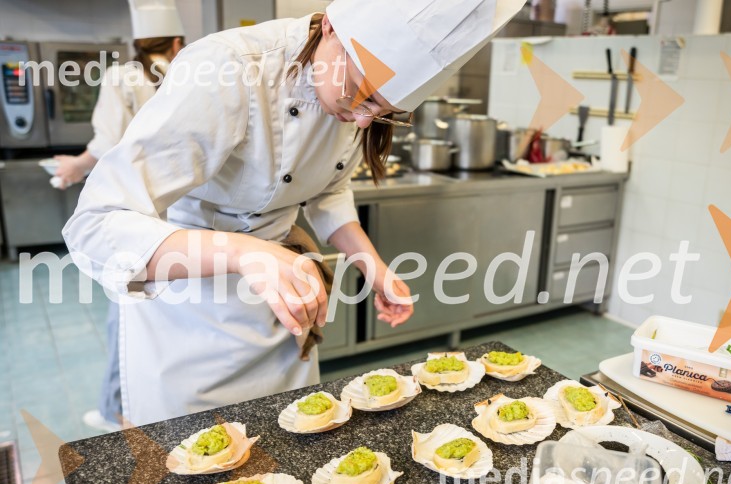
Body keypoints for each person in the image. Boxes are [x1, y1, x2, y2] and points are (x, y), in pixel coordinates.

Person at [63, 0, 525, 426]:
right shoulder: (228, 68)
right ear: (331, 28)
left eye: (385, 112)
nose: (363, 119)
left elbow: (330, 190)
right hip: (189, 311)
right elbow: (94, 226)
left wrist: (372, 267)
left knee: (293, 441)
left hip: (281, 308)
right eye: (361, 94)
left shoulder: (347, 101)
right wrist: (246, 253)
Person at [55, 0, 185, 432]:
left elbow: (107, 142)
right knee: (165, 314)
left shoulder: (122, 77)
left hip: (134, 220)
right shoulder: (190, 74)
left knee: (126, 314)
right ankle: (153, 406)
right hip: (183, 219)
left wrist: (75, 166)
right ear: (177, 42)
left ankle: (117, 411)